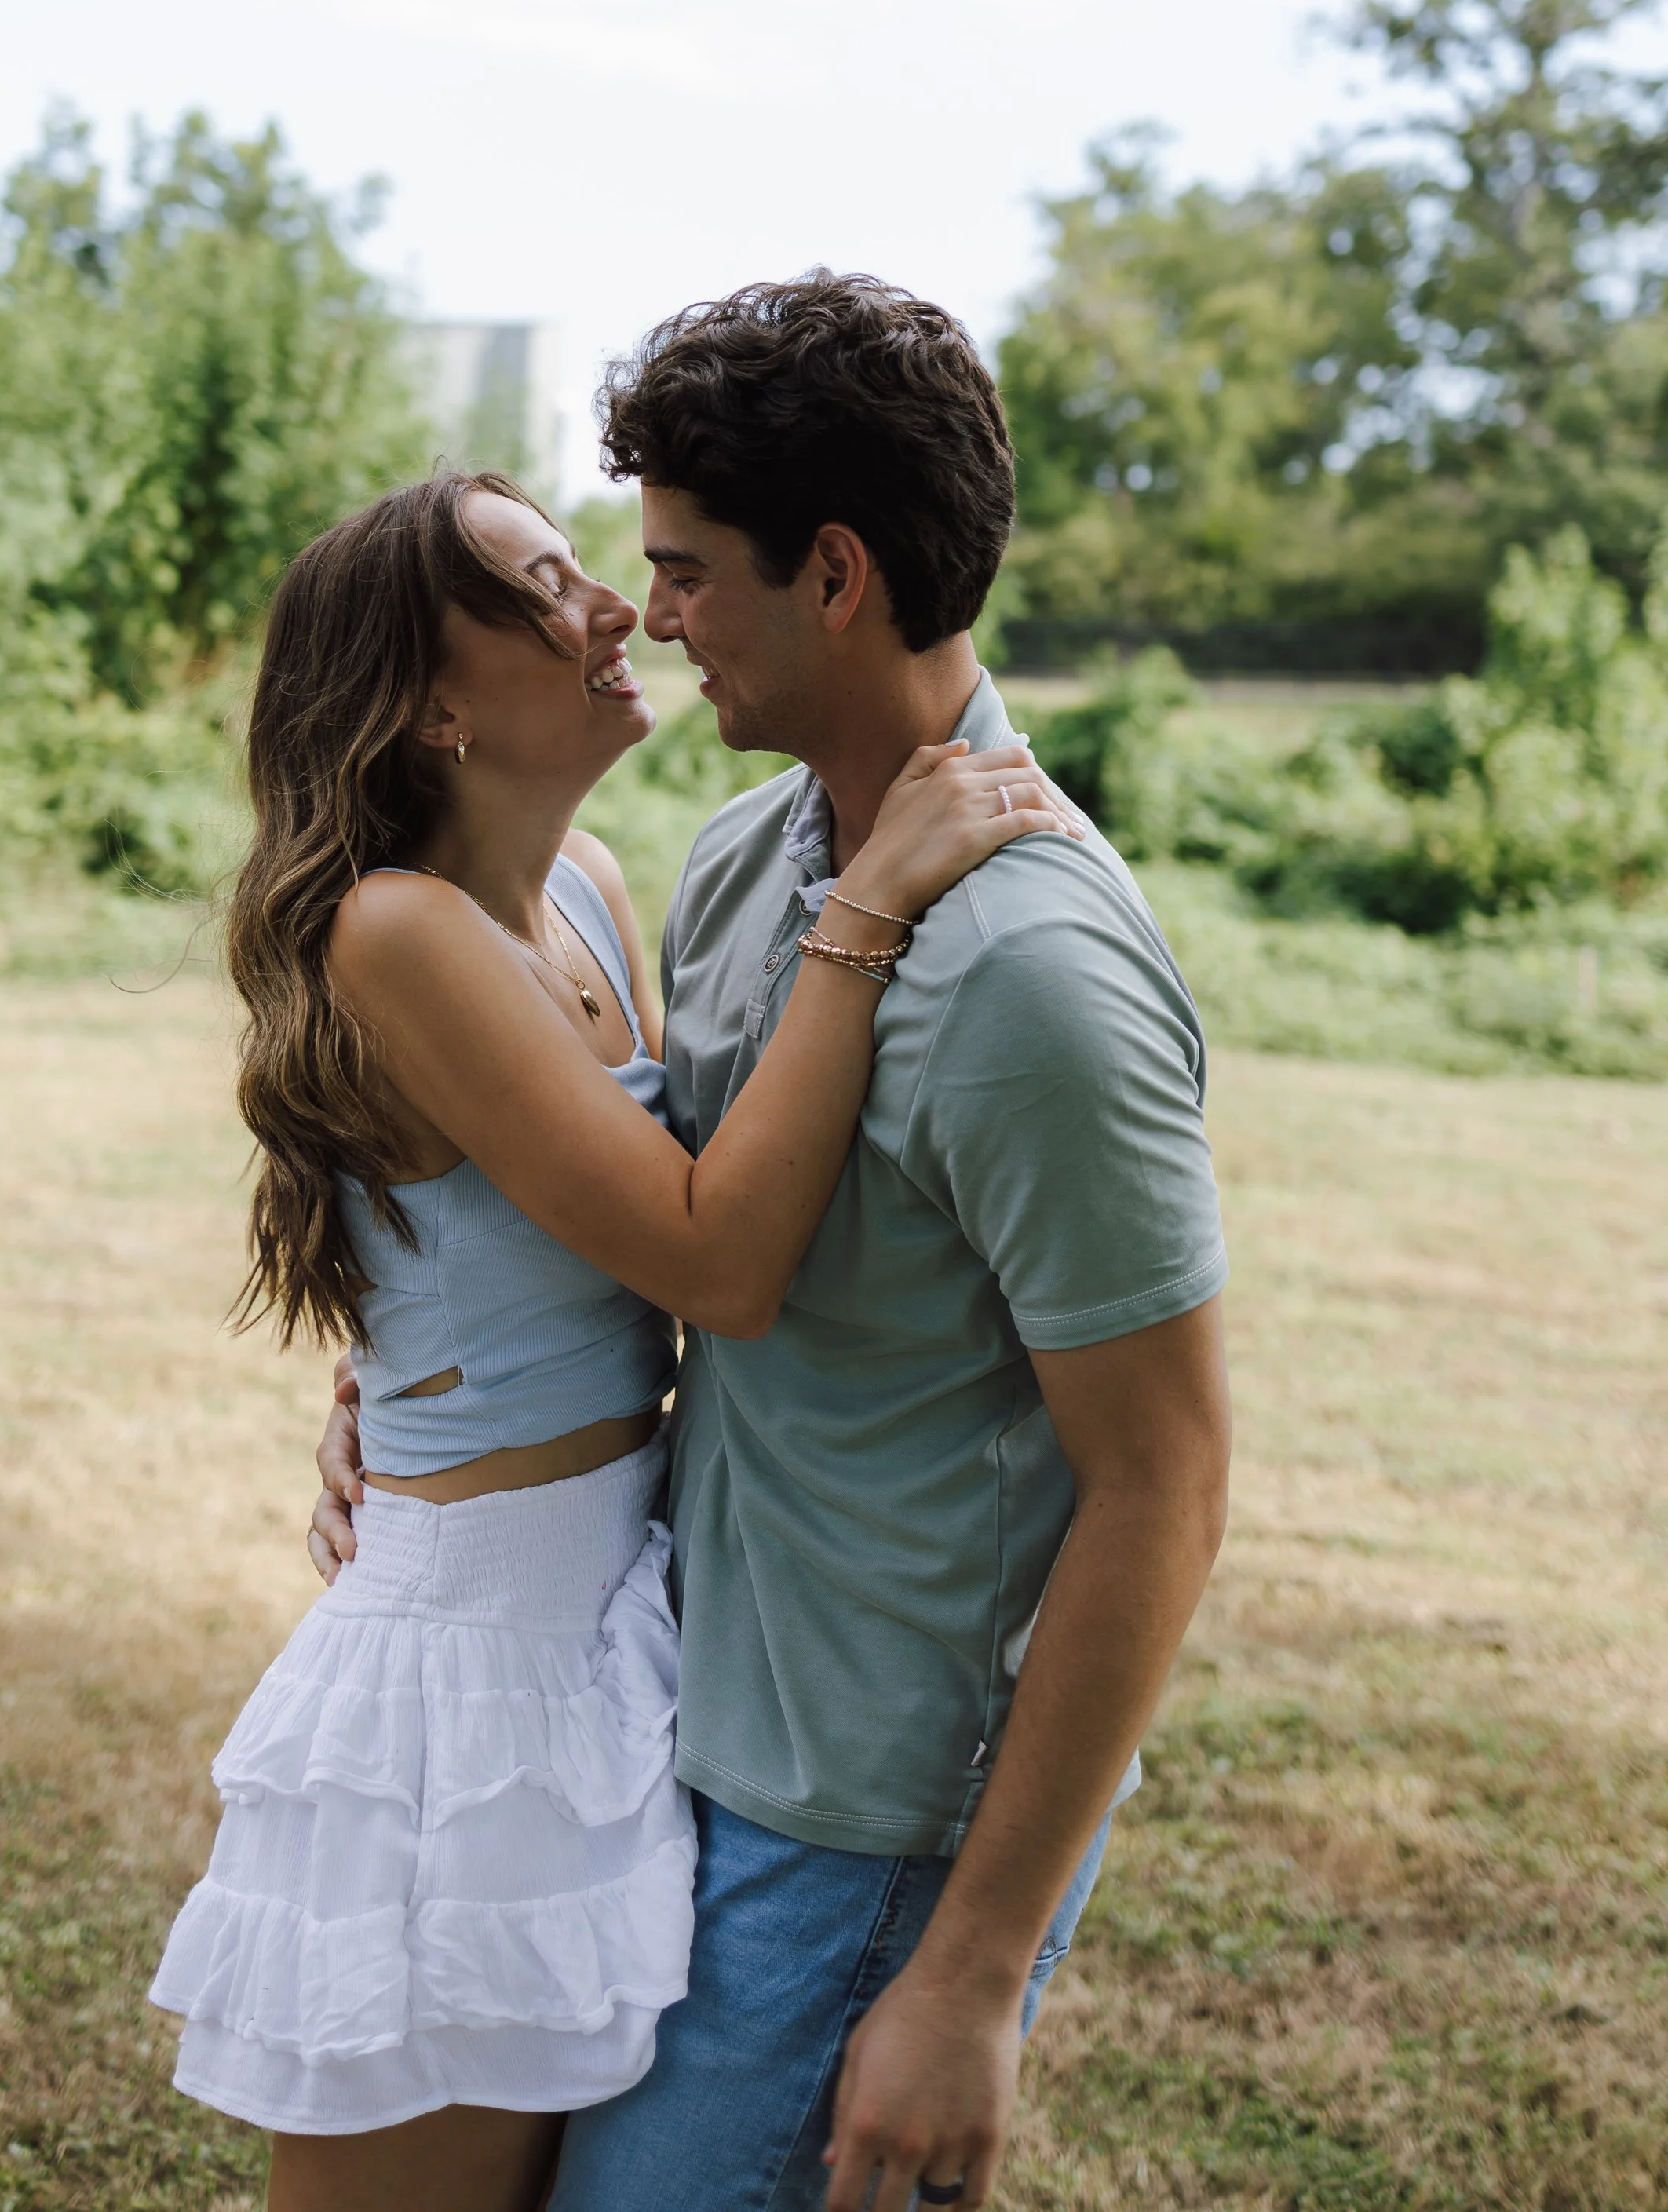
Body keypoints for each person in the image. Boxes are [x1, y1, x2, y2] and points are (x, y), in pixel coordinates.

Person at [309, 274, 1234, 2212]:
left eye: (679, 571)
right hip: (667, 1718)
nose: (642, 616)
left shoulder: (1030, 968)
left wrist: (967, 1970)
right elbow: (651, 1234)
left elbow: (1162, 1474)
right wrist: (420, 1384)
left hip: (869, 1816)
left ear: (831, 575)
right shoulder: (744, 864)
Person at [148, 462, 1075, 2212]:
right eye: (540, 584)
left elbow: (603, 1243)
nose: (612, 607)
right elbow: (711, 1254)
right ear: (429, 702)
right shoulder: (394, 930)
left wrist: (379, 1383)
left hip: (613, 1631)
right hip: (466, 1672)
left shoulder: (579, 880)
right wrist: (864, 907)